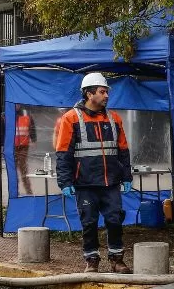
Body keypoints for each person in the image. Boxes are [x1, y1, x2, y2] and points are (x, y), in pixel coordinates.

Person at [54, 72, 132, 273]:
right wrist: (65, 181)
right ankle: (91, 260)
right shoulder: (70, 119)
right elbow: (63, 152)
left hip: (111, 182)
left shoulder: (114, 118)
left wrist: (127, 176)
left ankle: (117, 259)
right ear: (89, 94)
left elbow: (123, 150)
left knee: (115, 220)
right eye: (102, 91)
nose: (106, 95)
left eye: (106, 92)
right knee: (89, 222)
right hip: (85, 183)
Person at [13, 104, 36, 195]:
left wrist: (34, 139)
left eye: (18, 104)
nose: (16, 106)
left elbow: (32, 127)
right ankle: (15, 191)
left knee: (23, 169)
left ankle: (28, 191)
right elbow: (3, 129)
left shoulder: (26, 114)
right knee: (13, 170)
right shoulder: (7, 115)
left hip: (23, 146)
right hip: (12, 146)